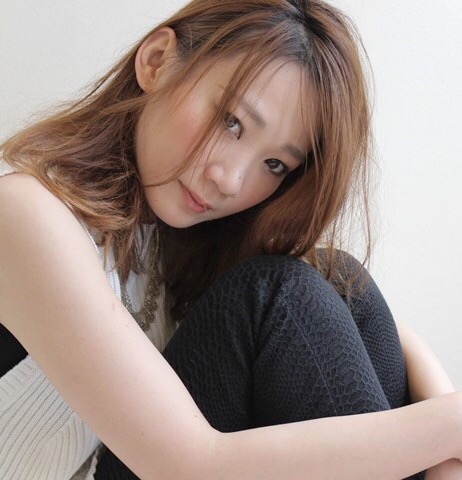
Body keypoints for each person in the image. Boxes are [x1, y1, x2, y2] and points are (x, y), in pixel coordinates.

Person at [0, 0, 461, 479]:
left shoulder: (180, 240)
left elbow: (398, 337)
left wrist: (447, 448)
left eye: (275, 164)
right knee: (279, 295)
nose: (232, 181)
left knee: (342, 280)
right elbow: (190, 465)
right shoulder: (25, 214)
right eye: (231, 122)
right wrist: (449, 428)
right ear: (156, 61)